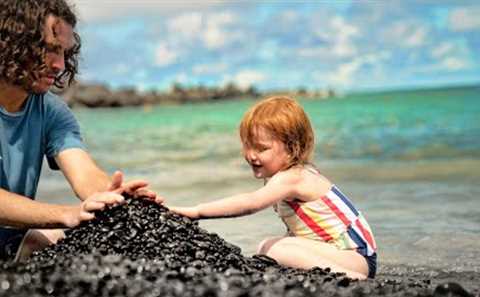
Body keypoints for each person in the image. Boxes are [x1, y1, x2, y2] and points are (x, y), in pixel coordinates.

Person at [0, 0, 161, 261]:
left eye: (64, 52)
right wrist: (66, 213)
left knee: (56, 238)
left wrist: (112, 195)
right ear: (11, 41)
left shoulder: (51, 111)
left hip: (10, 248)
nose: (60, 65)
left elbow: (83, 173)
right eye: (50, 49)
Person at [171, 96, 377, 279]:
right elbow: (302, 231)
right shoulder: (283, 177)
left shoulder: (294, 177)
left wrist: (196, 212)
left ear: (292, 148)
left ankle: (353, 279)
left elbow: (251, 203)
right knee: (273, 248)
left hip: (355, 257)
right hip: (338, 253)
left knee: (270, 248)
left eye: (261, 148)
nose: (251, 155)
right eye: (247, 145)